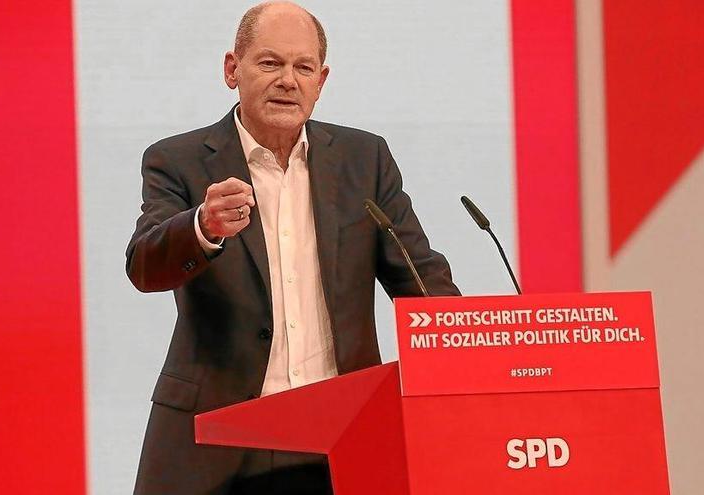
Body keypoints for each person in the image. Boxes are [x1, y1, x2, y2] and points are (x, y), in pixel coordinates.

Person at [126, 2, 458, 493]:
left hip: (341, 436)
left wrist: (475, 346)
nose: (288, 80)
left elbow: (419, 276)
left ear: (321, 81)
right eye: (269, 63)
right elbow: (145, 266)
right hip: (218, 437)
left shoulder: (363, 159)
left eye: (303, 67)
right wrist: (202, 225)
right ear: (231, 69)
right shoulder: (178, 160)